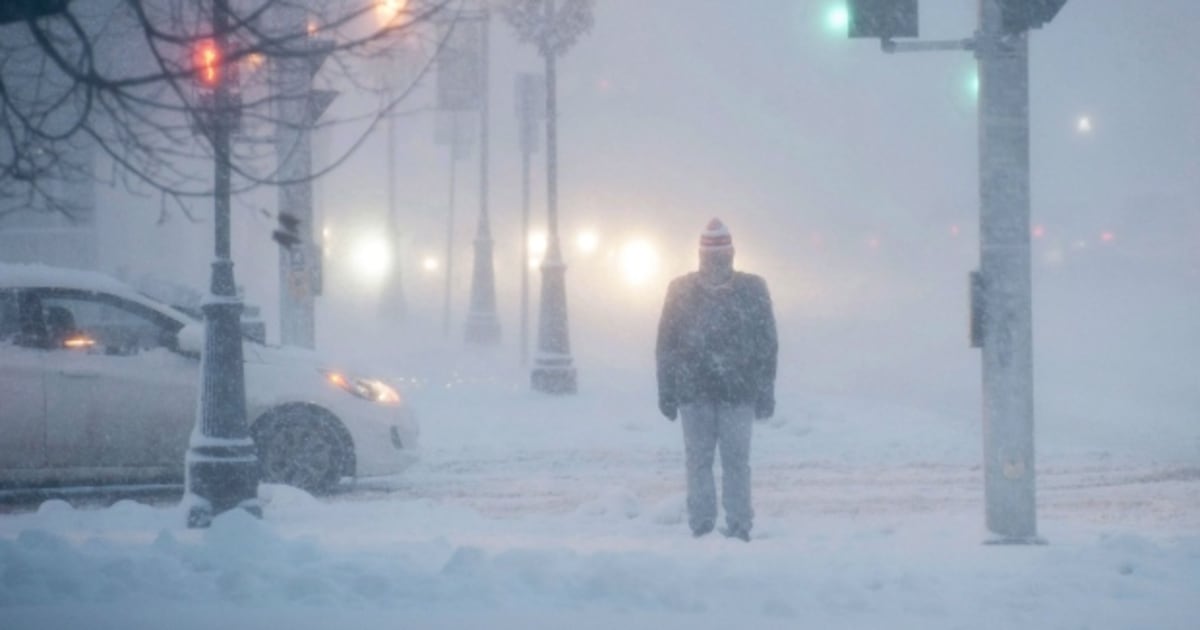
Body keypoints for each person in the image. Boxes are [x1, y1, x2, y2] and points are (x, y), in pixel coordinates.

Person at [656, 218, 778, 541]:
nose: (715, 263)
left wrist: (668, 389)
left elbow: (767, 343)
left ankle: (721, 527)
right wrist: (666, 390)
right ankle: (715, 527)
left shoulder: (686, 291)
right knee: (719, 462)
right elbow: (666, 343)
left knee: (712, 462)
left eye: (719, 256)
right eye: (711, 256)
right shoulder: (750, 291)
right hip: (716, 393)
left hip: (714, 392)